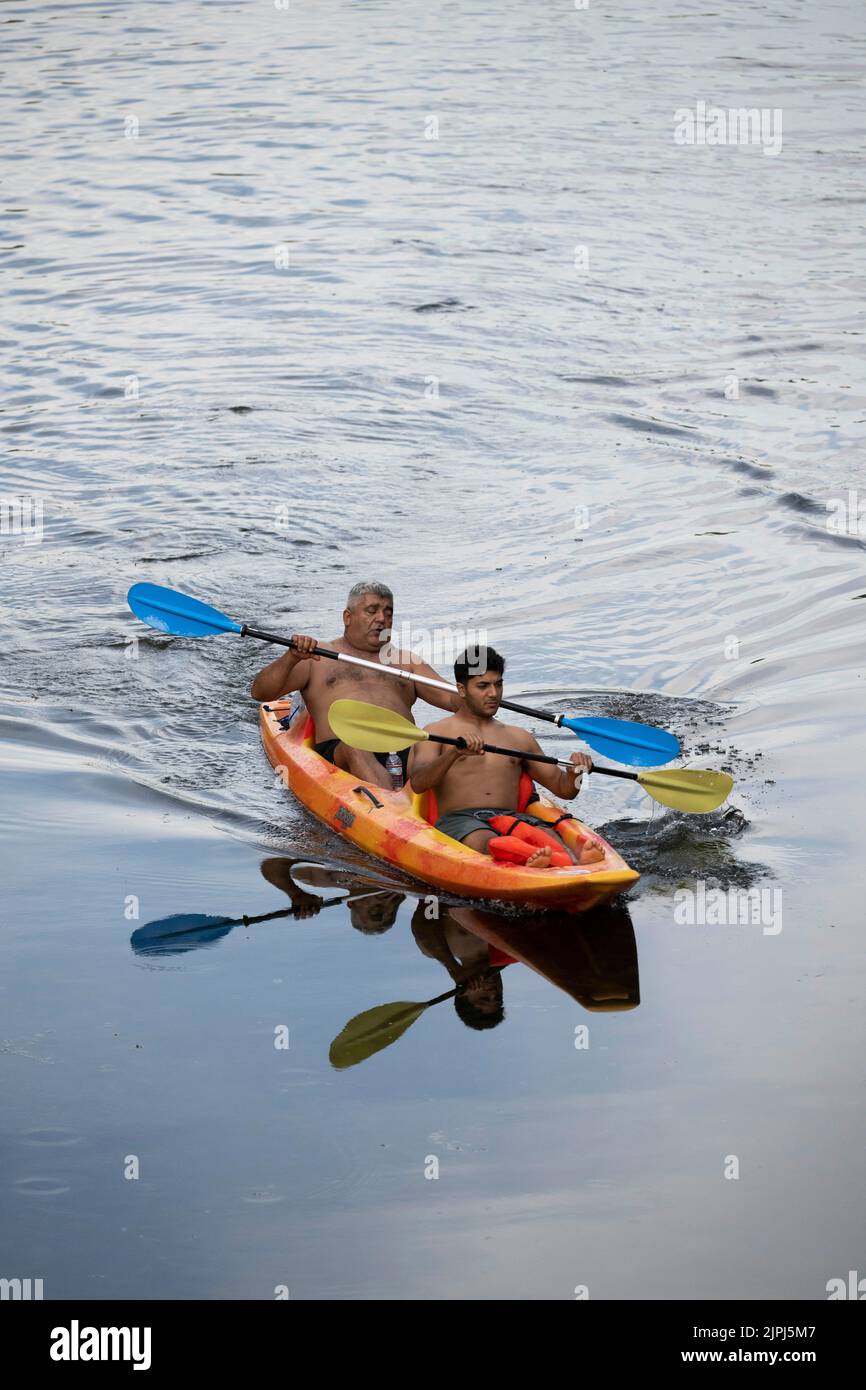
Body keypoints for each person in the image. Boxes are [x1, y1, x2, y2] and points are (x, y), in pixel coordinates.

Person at [408, 645, 604, 869]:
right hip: (462, 822)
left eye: (498, 684)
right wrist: (454, 753)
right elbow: (418, 783)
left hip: (514, 818)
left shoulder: (518, 737)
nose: (493, 693)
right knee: (489, 843)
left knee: (547, 835)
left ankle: (564, 859)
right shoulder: (437, 733)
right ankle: (553, 861)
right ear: (461, 690)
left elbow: (565, 790)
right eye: (483, 686)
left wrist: (577, 773)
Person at [250, 581, 459, 790]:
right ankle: (387, 810)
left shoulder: (406, 661)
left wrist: (481, 690)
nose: (381, 619)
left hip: (403, 751)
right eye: (372, 611)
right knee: (355, 747)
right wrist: (291, 658)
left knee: (443, 748)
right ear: (347, 617)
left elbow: (453, 699)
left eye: (388, 612)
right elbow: (261, 692)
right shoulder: (318, 655)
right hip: (342, 754)